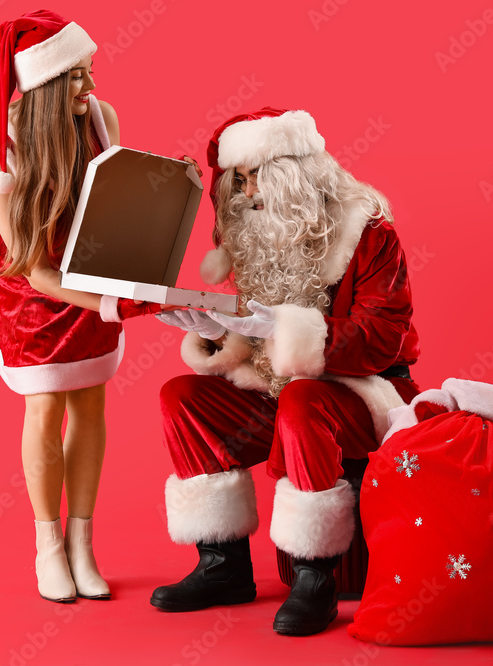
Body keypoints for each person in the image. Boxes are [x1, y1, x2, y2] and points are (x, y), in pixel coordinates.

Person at [151, 108, 421, 635]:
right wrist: (215, 331)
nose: (249, 193)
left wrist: (292, 330)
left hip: (360, 392)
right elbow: (253, 332)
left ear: (296, 171)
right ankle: (222, 567)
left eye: (258, 177)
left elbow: (384, 336)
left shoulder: (369, 232)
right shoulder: (256, 232)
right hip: (271, 389)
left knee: (301, 402)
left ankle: (314, 576)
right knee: (182, 396)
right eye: (240, 179)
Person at [0, 9, 161, 603]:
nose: (91, 87)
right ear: (45, 89)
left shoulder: (101, 121)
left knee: (89, 404)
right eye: (76, 77)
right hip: (35, 296)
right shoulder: (0, 156)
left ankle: (83, 546)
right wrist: (111, 303)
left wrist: (163, 189)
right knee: (45, 407)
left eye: (89, 71)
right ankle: (47, 549)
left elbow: (117, 200)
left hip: (91, 279)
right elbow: (37, 271)